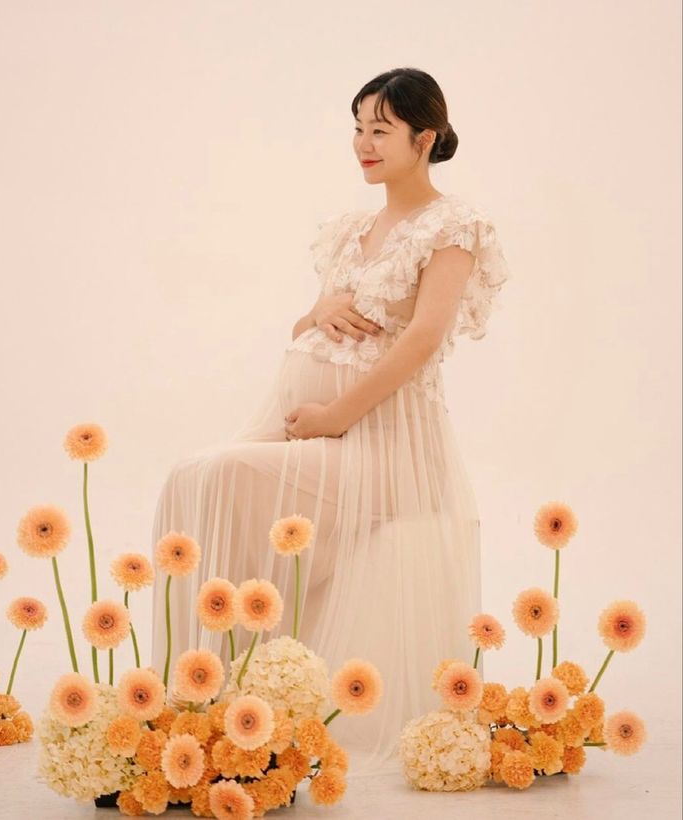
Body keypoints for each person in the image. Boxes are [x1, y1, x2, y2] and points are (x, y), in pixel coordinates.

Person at [150, 66, 511, 778]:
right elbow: (308, 324)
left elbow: (421, 340)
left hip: (382, 447)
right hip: (315, 427)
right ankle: (198, 696)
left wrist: (332, 418)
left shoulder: (453, 227)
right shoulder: (352, 229)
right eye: (356, 127)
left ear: (424, 137)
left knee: (219, 474)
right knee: (191, 479)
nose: (362, 143)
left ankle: (222, 693)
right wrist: (316, 313)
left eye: (380, 129)